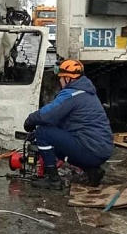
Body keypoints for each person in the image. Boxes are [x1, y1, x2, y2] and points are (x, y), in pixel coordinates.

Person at [23, 59, 114, 190]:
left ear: (67, 78)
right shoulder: (87, 93)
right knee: (51, 141)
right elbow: (64, 122)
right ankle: (93, 170)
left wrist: (30, 120)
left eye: (60, 78)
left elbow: (48, 114)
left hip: (90, 150)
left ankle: (53, 180)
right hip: (102, 151)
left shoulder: (72, 93)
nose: (59, 81)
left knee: (43, 131)